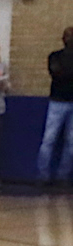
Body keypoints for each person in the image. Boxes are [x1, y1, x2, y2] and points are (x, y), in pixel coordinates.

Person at [42, 27, 73, 187]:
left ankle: (63, 176)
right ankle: (43, 176)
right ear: (63, 39)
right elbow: (57, 74)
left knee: (71, 143)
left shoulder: (56, 58)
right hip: (57, 102)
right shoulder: (54, 56)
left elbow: (63, 74)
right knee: (49, 139)